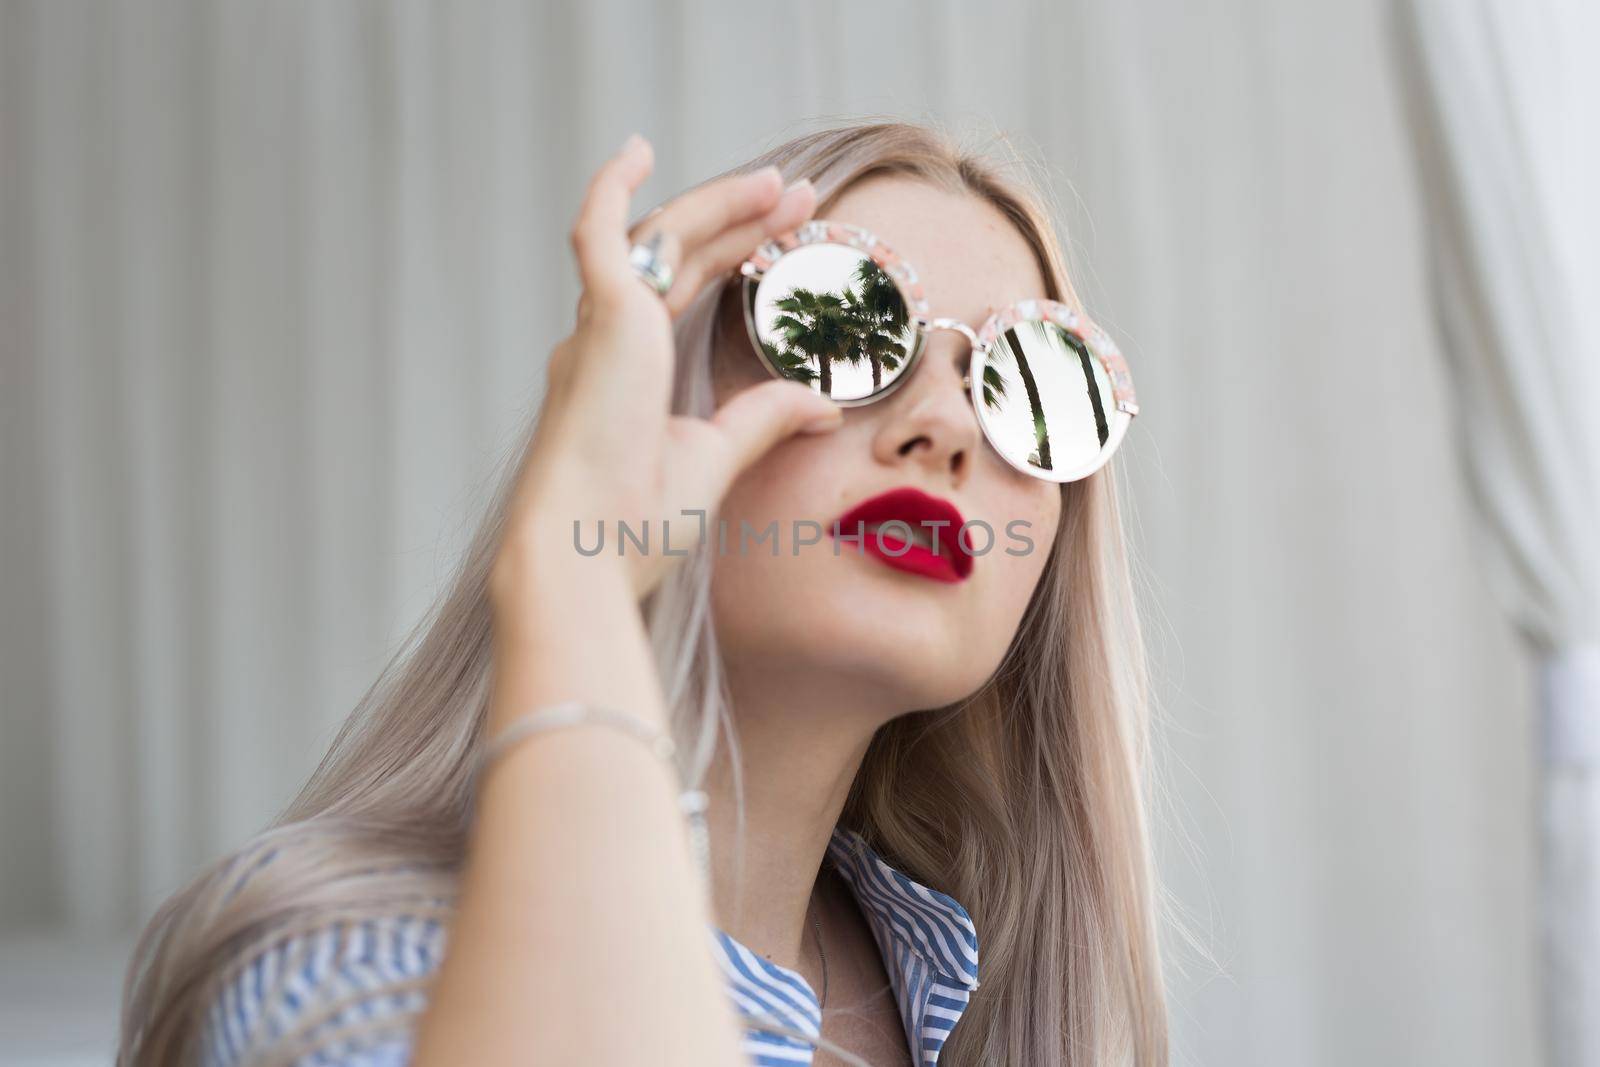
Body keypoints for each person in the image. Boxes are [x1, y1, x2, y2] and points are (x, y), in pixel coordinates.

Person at [115, 119, 1169, 1067]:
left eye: (1037, 382)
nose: (943, 426)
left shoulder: (999, 1013)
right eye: (834, 320)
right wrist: (576, 562)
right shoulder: (352, 971)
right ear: (655, 399)